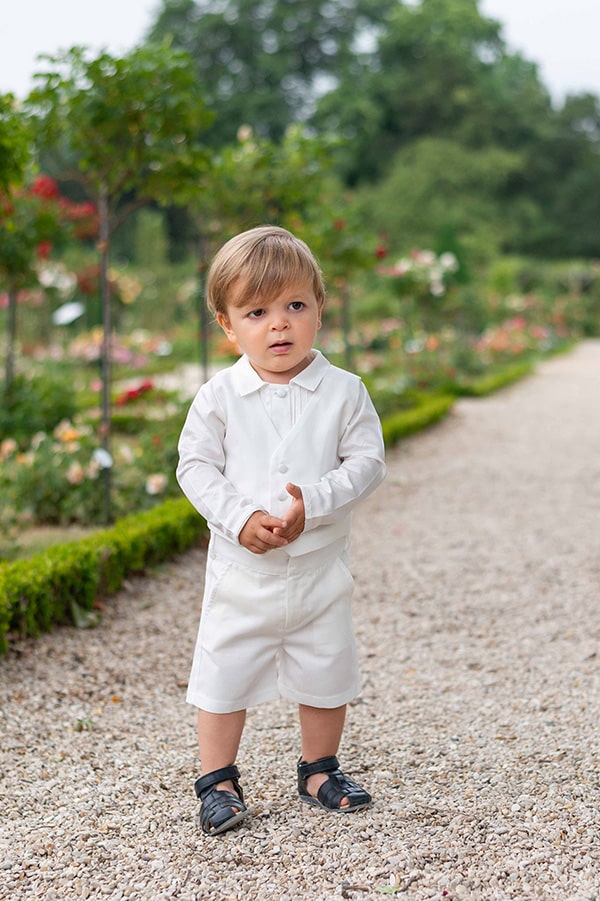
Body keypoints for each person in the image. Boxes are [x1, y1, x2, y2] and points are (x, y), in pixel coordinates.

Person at [176, 225, 386, 836]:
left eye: (295, 306)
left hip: (319, 564)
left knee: (326, 665)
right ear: (227, 324)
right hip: (243, 571)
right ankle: (217, 779)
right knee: (223, 670)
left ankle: (319, 768)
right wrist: (240, 517)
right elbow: (196, 466)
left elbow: (367, 462)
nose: (279, 325)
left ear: (320, 309)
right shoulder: (219, 397)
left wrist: (313, 502)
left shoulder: (344, 392)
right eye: (257, 311)